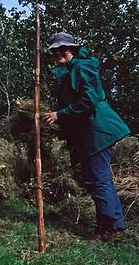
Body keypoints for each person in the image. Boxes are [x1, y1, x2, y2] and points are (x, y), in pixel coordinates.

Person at [42, 32, 130, 242]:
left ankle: (105, 230)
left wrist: (59, 115)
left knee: (97, 180)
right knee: (99, 179)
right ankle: (116, 224)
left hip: (97, 129)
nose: (58, 54)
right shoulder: (70, 70)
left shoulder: (82, 67)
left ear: (72, 49)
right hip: (88, 130)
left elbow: (88, 101)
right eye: (54, 51)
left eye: (62, 49)